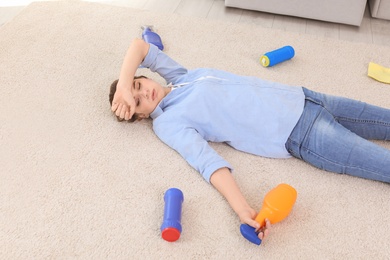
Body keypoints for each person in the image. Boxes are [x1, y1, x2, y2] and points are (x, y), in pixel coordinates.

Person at [110, 38, 390, 242]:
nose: (144, 94)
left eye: (138, 85)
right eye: (136, 102)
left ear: (143, 77)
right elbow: (207, 162)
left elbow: (140, 46)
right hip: (299, 132)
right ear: (142, 117)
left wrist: (123, 85)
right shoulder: (168, 123)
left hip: (304, 97)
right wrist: (242, 209)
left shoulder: (182, 77)